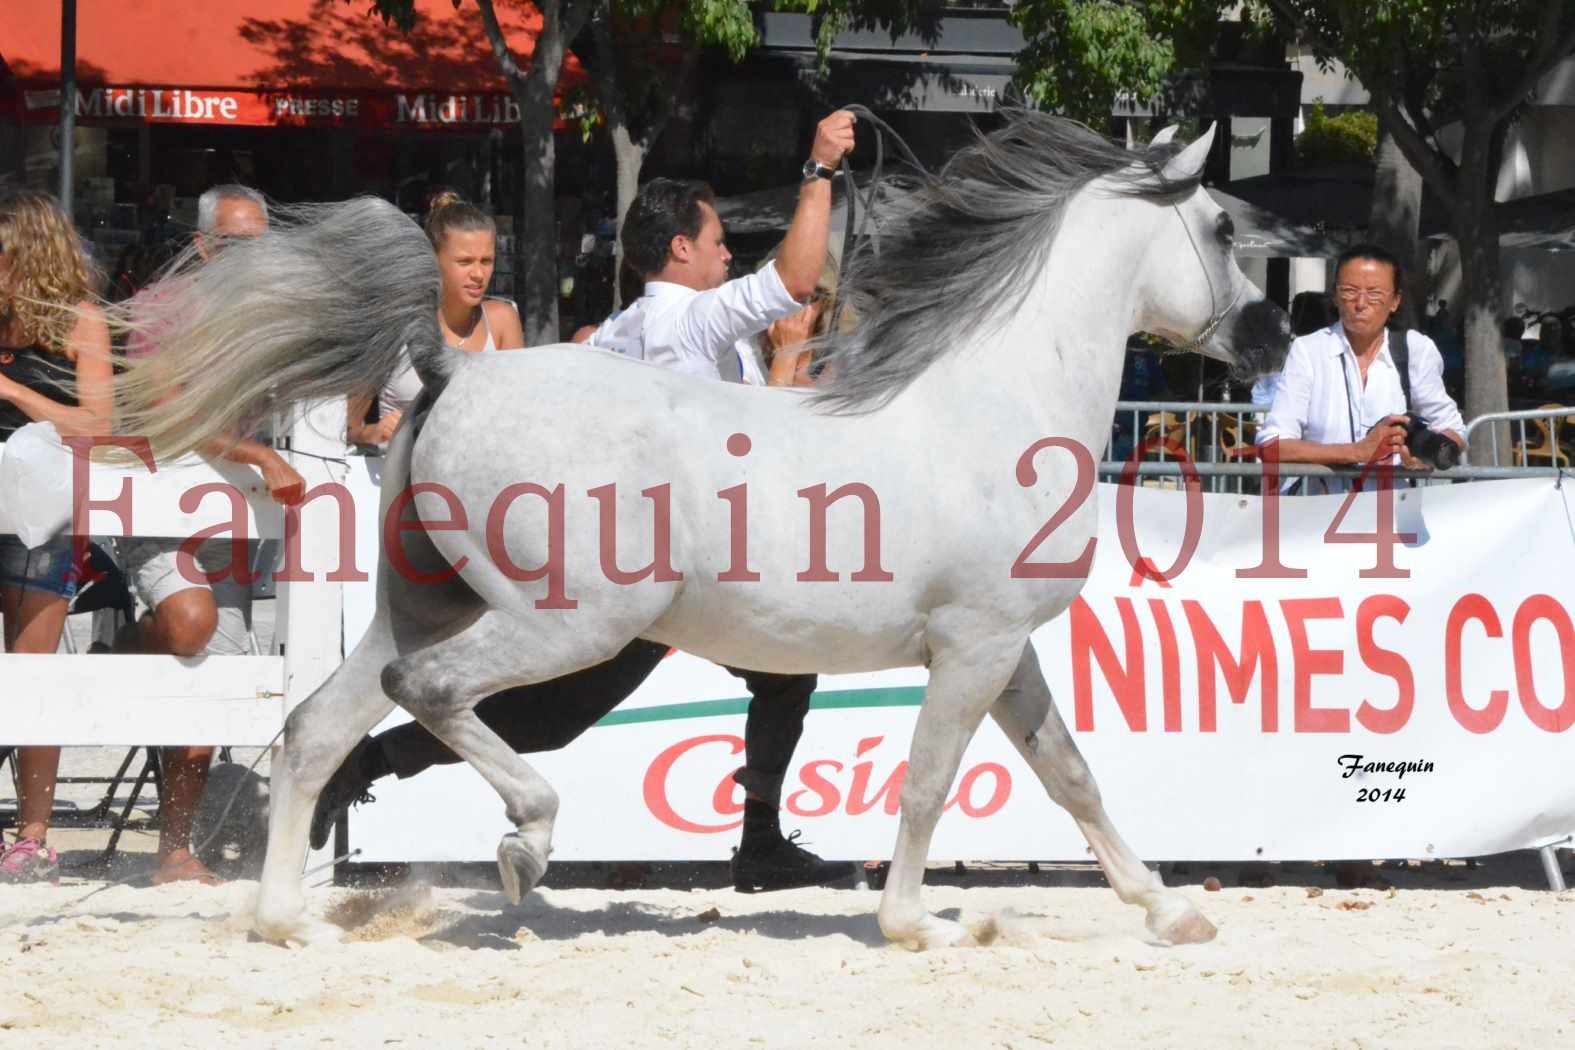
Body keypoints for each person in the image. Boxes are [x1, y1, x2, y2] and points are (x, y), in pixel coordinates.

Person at [317, 111, 860, 894]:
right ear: (680, 249)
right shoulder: (692, 317)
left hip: (633, 552)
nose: (723, 254)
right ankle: (762, 843)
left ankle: (368, 761)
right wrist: (817, 169)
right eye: (715, 242)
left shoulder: (618, 329)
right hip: (677, 563)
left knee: (563, 714)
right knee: (775, 672)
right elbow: (796, 281)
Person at [115, 184, 306, 885]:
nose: (251, 258)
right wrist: (258, 453)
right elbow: (172, 413)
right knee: (191, 628)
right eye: (235, 244)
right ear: (203, 246)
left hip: (233, 515)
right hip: (158, 503)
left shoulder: (273, 318)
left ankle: (174, 851)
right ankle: (135, 643)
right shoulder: (158, 309)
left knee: (212, 677)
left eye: (261, 245)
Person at [0, 191, 115, 882]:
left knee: (31, 665)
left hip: (43, 509)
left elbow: (97, 426)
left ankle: (32, 830)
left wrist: (13, 393)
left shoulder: (81, 321)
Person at [1255, 243, 1464, 493]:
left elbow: (1455, 432)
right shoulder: (1308, 350)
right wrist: (1357, 451)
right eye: (1349, 291)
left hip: (1391, 516)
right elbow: (1271, 446)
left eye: (1375, 293)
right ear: (1334, 296)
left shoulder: (1416, 350)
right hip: (1319, 513)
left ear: (1395, 301)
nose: (1361, 303)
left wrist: (1425, 455)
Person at [348, 192, 523, 448]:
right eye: (464, 261)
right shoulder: (394, 322)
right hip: (401, 479)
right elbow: (347, 429)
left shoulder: (502, 320)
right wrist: (372, 432)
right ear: (432, 259)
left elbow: (520, 414)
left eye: (486, 261)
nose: (478, 274)